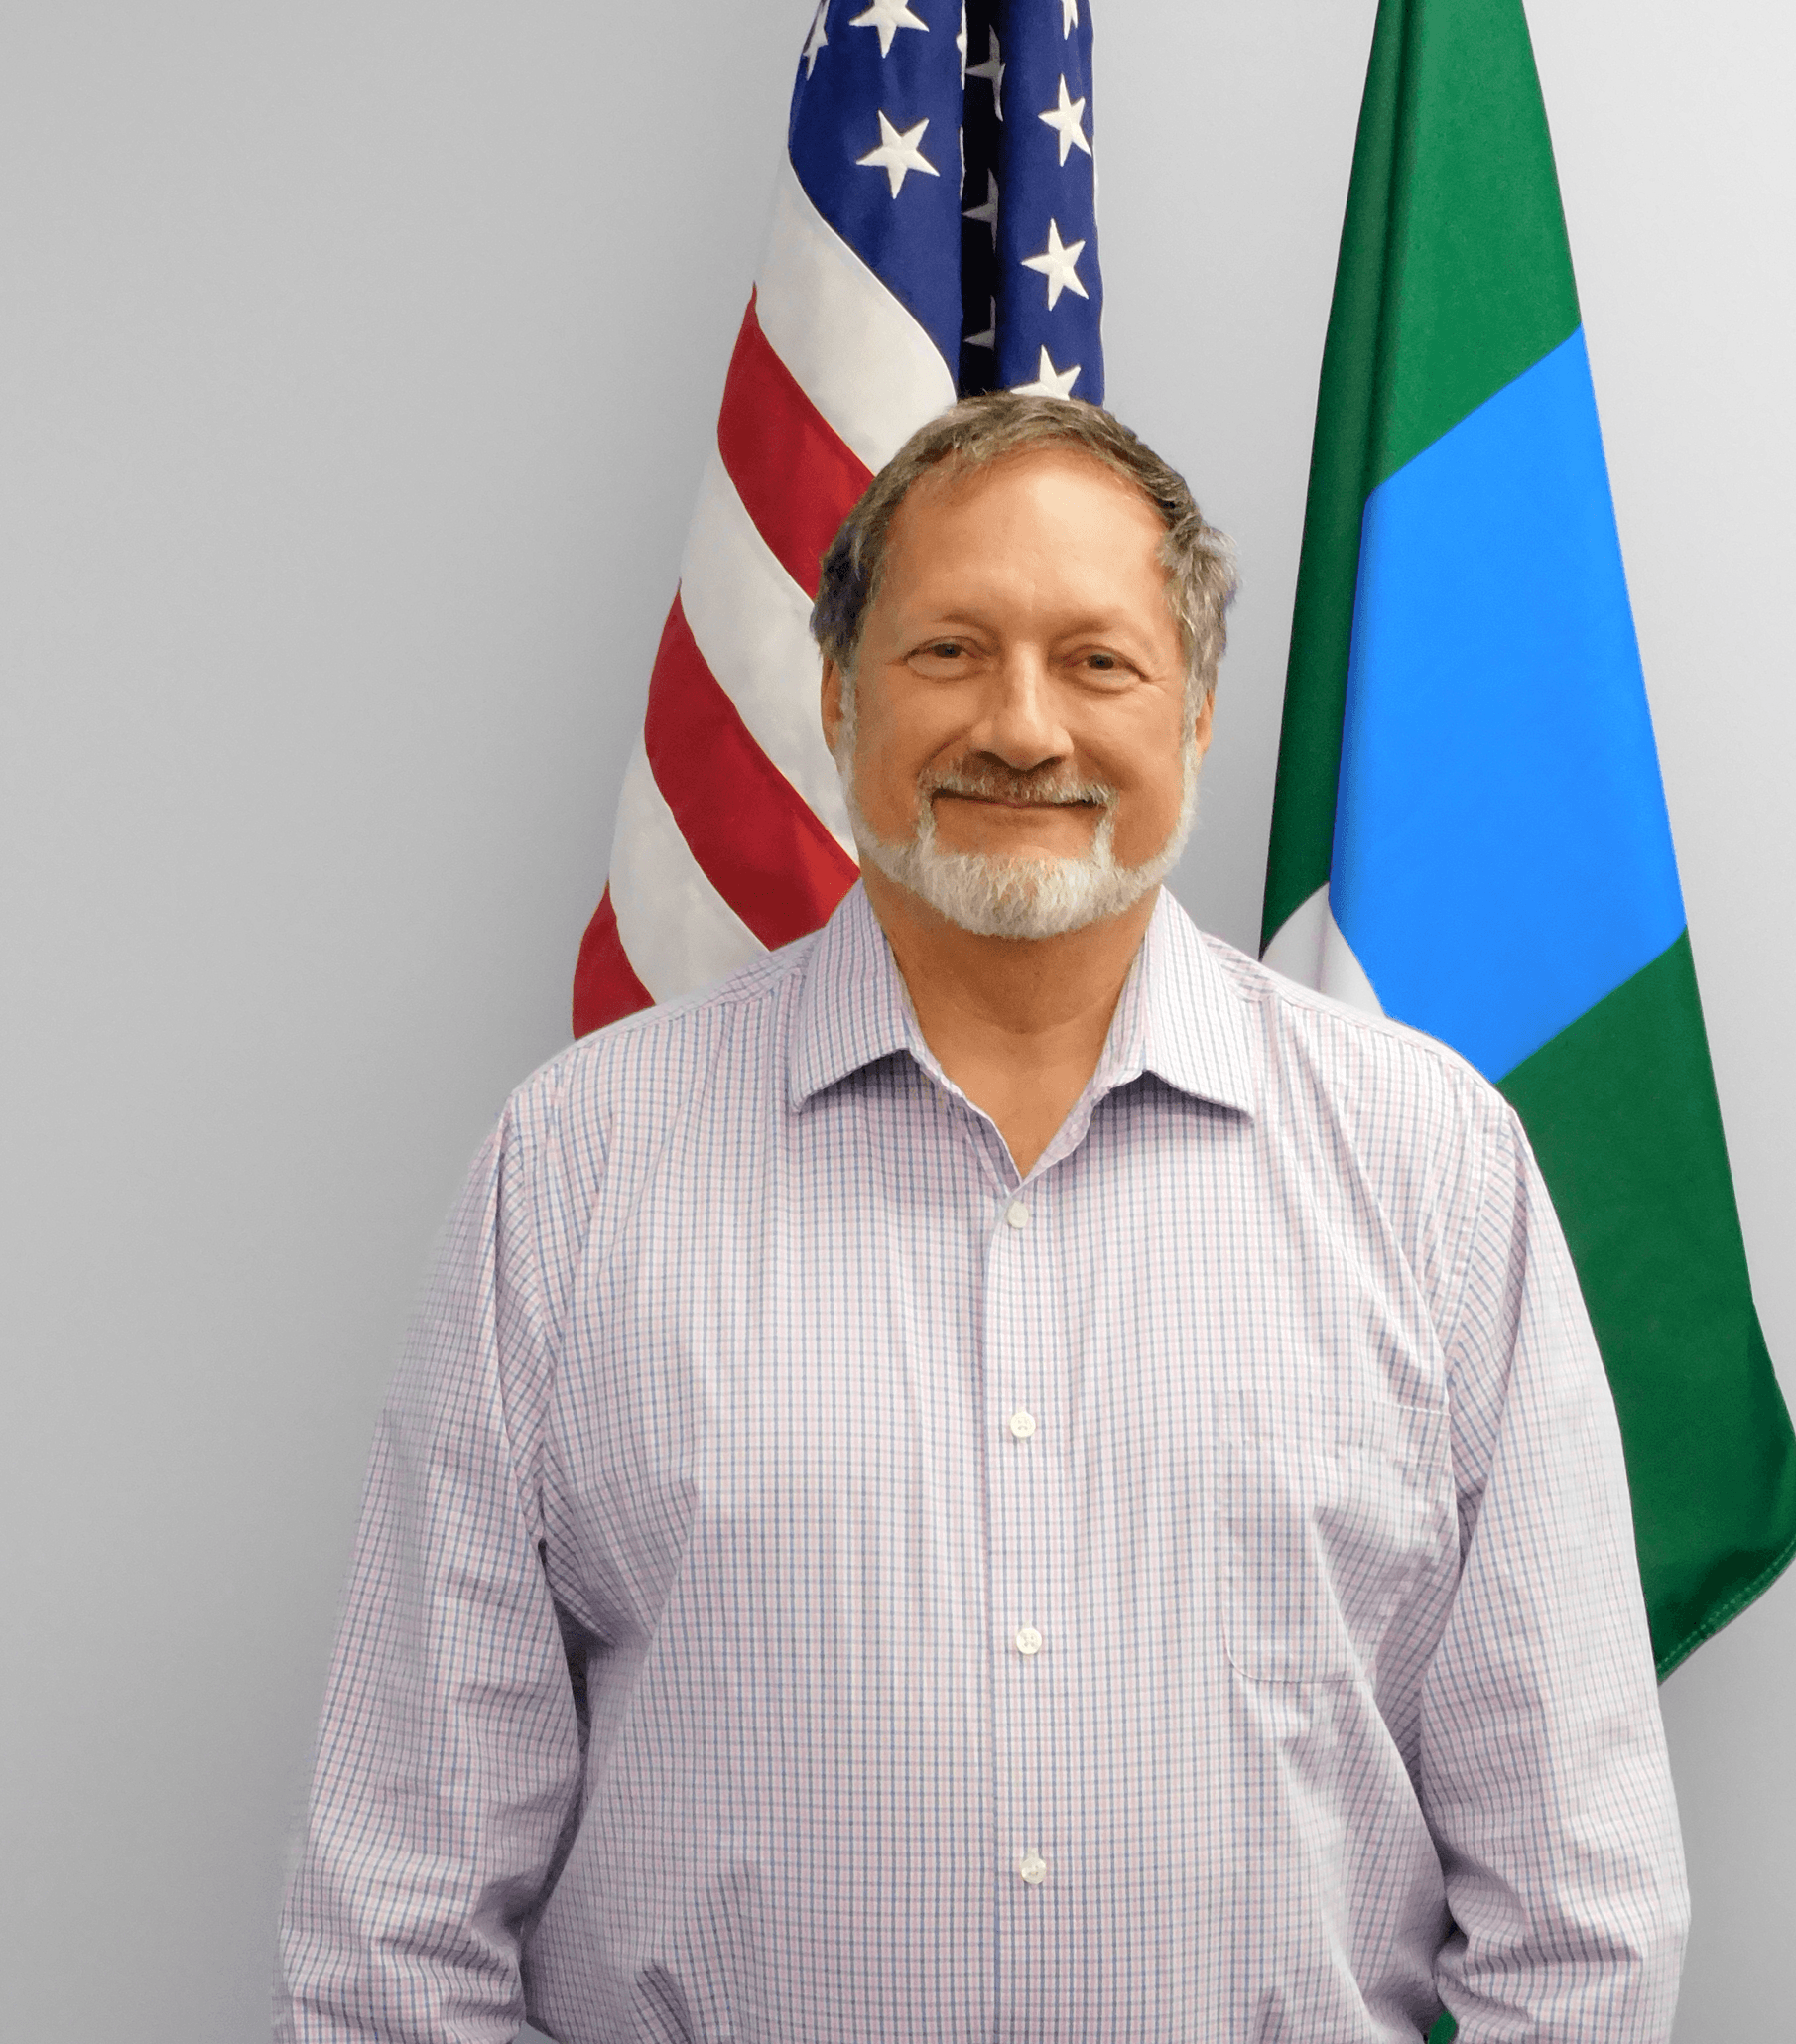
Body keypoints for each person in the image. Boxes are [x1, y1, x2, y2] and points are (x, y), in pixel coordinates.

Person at [278, 392, 1688, 2044]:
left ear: (1200, 714)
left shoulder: (1433, 1169)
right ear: (833, 695)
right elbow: (398, 1917)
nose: (1024, 728)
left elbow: (1581, 1915)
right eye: (950, 651)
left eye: (1100, 662)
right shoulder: (579, 1171)